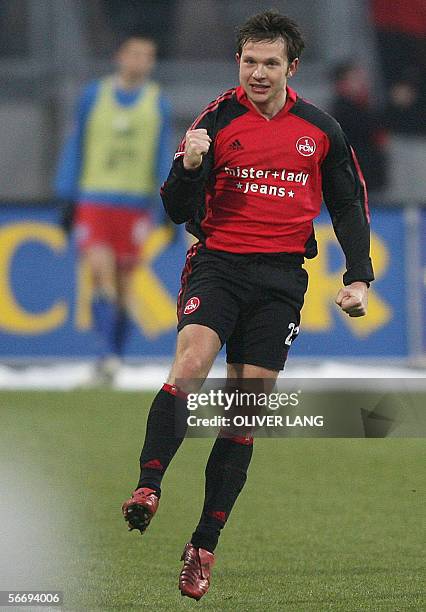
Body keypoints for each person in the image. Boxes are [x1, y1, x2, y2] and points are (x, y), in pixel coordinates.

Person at [122, 11, 374, 601]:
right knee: (190, 365)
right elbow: (176, 208)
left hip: (282, 279)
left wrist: (358, 277)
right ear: (238, 62)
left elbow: (349, 204)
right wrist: (188, 166)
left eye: (270, 63)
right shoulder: (216, 119)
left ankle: (203, 545)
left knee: (243, 413)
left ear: (292, 68)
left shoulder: (321, 129)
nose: (257, 72)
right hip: (219, 264)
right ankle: (148, 486)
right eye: (248, 61)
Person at [55, 34, 172, 383]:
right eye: (135, 53)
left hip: (135, 205)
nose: (141, 61)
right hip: (95, 199)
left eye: (148, 55)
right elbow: (77, 142)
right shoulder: (95, 95)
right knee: (100, 272)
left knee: (123, 285)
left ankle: (114, 358)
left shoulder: (157, 102)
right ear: (121, 56)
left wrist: (167, 202)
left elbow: (160, 154)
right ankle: (105, 354)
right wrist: (67, 194)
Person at [329, 61, 388, 194]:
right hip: (358, 170)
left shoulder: (363, 104)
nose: (360, 82)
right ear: (342, 83)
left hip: (368, 170)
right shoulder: (342, 109)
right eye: (354, 79)